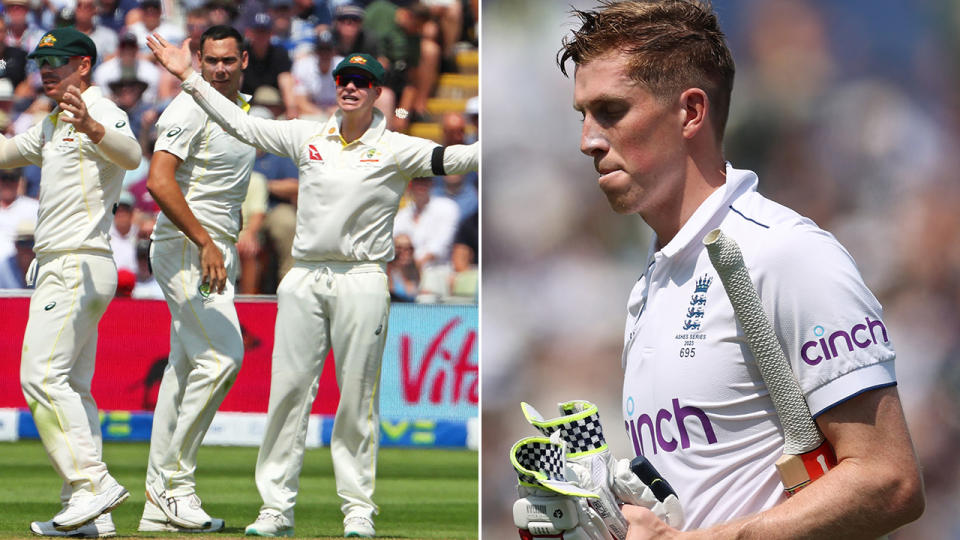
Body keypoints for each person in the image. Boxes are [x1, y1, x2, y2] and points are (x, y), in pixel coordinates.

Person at [536, 1, 926, 538]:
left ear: (690, 112)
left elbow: (888, 479)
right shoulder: (653, 277)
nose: (588, 140)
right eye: (582, 115)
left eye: (611, 111)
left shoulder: (785, 254)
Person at [147, 36, 478, 537]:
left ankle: (357, 510)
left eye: (362, 82)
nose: (350, 88)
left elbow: (460, 160)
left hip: (363, 277)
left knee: (357, 399)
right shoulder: (307, 136)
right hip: (303, 277)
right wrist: (187, 77)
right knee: (289, 394)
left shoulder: (396, 147)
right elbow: (239, 122)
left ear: (377, 93)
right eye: (344, 79)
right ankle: (276, 509)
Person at [0, 27, 140, 536]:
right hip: (64, 265)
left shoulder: (99, 108)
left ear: (84, 64)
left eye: (57, 60)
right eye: (41, 63)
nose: (46, 69)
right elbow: (6, 153)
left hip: (77, 263)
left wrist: (95, 129)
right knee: (73, 388)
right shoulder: (54, 121)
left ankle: (91, 482)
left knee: (39, 377)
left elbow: (131, 154)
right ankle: (90, 514)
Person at [139, 24, 256, 533]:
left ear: (244, 60)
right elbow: (158, 180)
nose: (221, 69)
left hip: (213, 247)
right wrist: (207, 240)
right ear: (200, 62)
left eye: (229, 60)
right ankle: (174, 486)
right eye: (212, 61)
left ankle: (153, 509)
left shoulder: (240, 110)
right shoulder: (190, 106)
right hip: (188, 248)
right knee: (222, 357)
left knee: (183, 375)